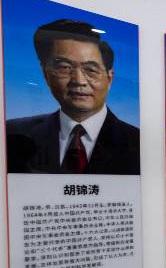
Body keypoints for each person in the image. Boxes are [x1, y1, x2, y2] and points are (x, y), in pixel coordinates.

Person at [6, 19, 139, 175]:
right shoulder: (13, 134)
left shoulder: (137, 141)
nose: (79, 81)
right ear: (45, 73)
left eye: (91, 70)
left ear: (109, 78)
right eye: (64, 67)